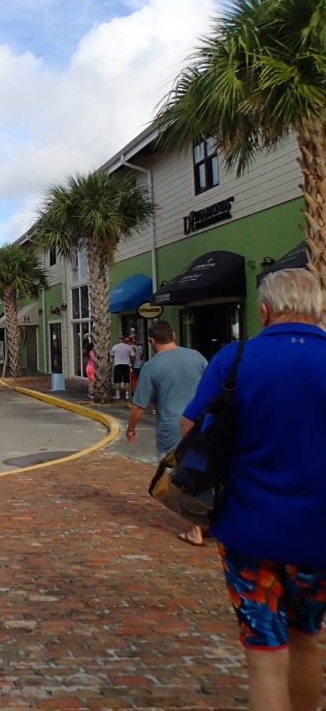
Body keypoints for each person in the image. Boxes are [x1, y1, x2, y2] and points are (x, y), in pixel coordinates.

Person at [181, 268, 326, 711]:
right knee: (307, 640)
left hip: (248, 528)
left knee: (264, 653)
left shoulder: (236, 358)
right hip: (318, 533)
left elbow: (191, 426)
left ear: (263, 311)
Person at [125, 319, 208, 546]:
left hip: (171, 428)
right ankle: (206, 521)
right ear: (173, 334)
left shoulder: (152, 366)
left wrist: (131, 429)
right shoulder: (197, 357)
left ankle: (196, 528)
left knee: (177, 479)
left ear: (152, 341)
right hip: (201, 424)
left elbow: (139, 406)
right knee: (202, 473)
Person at [110, 335, 136, 401]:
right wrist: (131, 362)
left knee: (118, 380)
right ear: (124, 340)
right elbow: (133, 356)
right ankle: (127, 395)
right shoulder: (128, 347)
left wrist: (116, 357)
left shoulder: (115, 347)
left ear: (119, 340)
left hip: (118, 365)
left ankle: (118, 395)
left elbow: (111, 355)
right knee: (127, 380)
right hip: (126, 365)